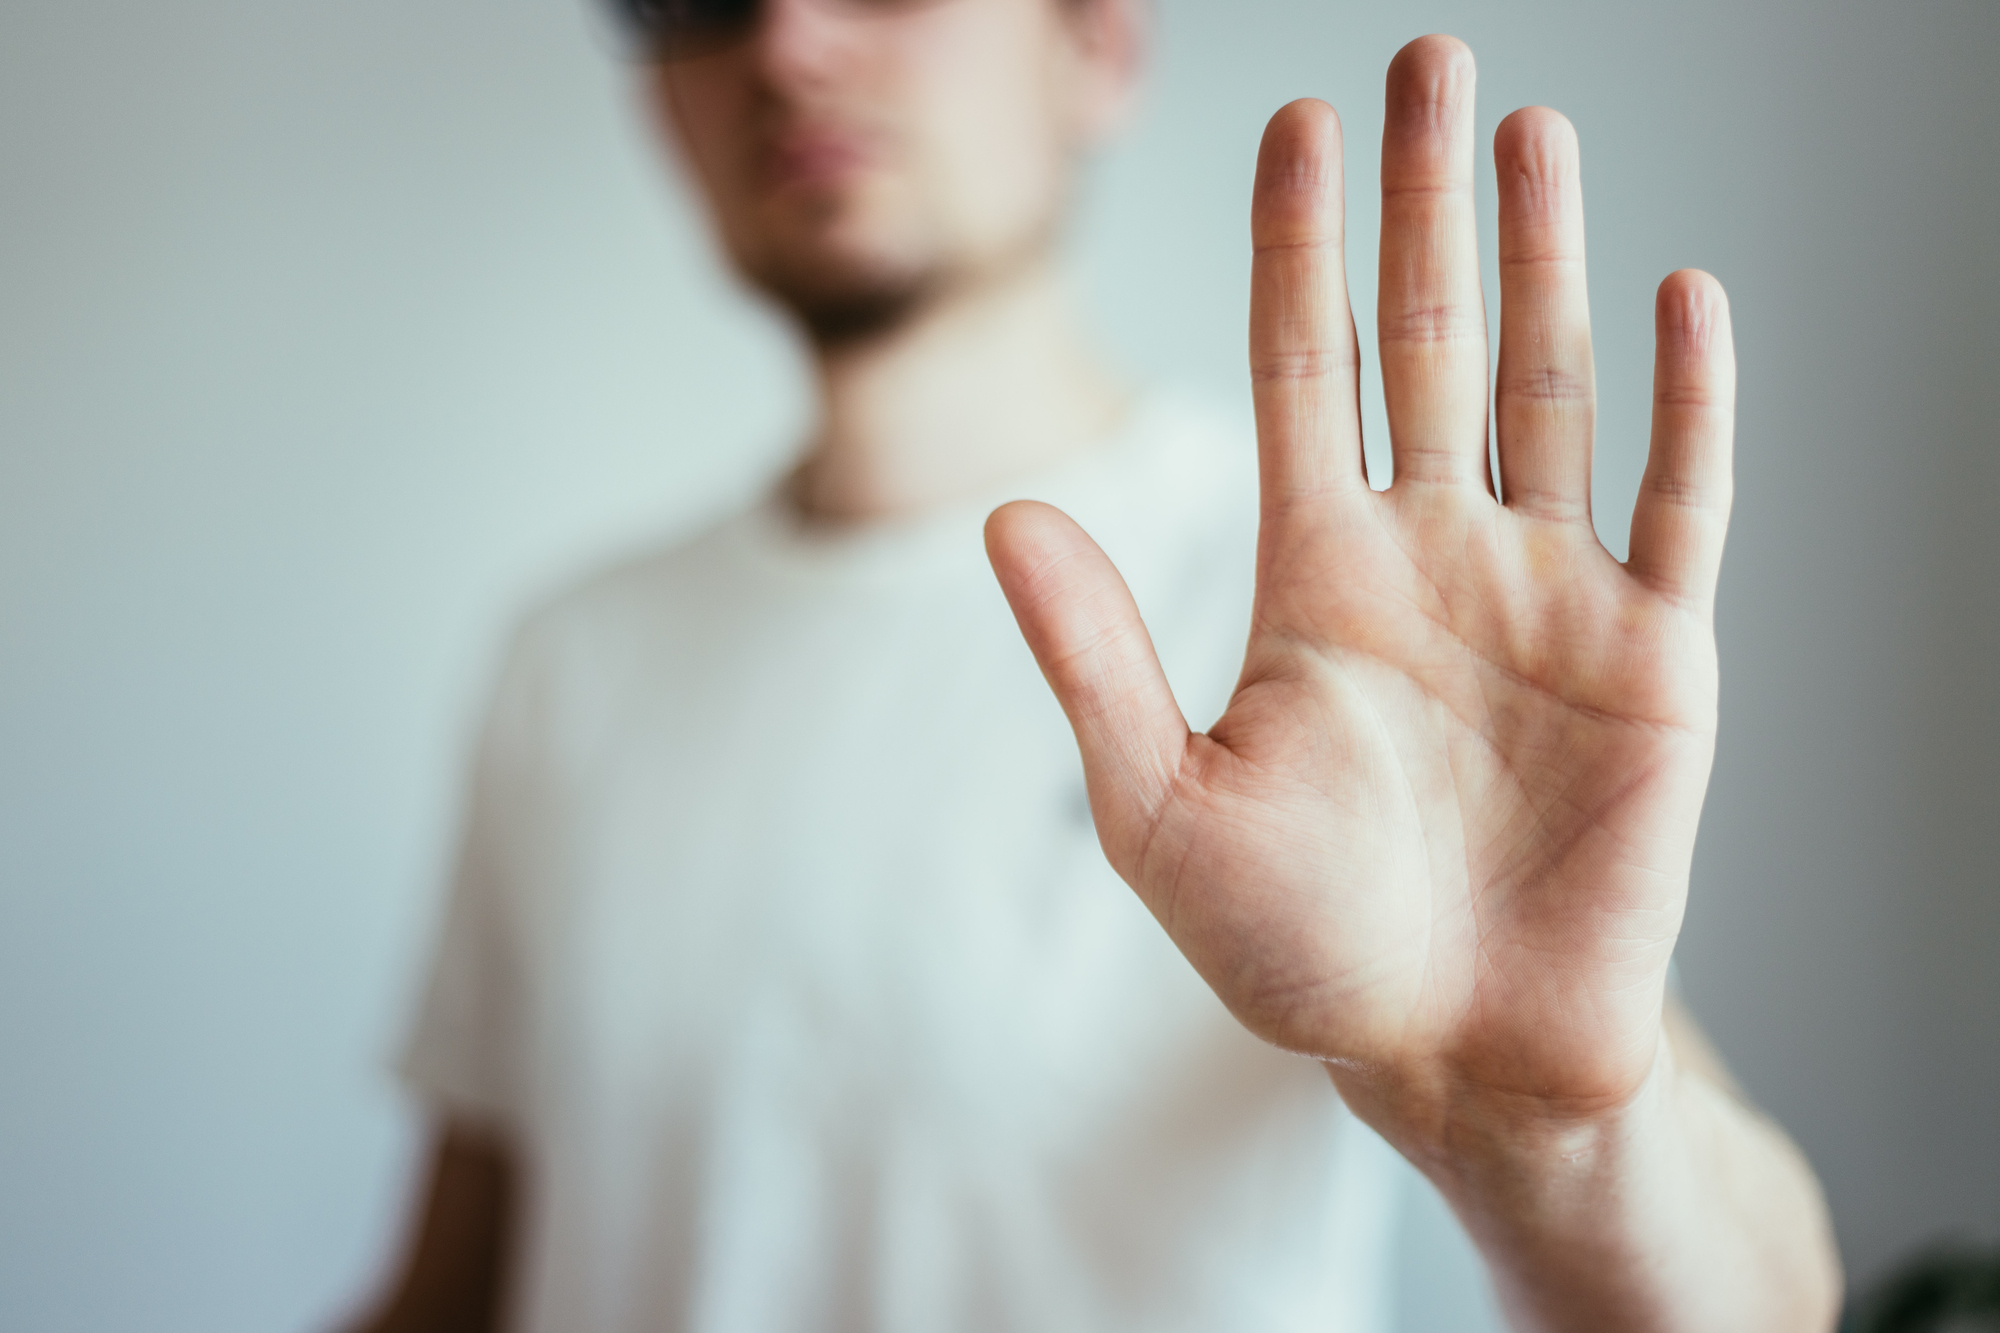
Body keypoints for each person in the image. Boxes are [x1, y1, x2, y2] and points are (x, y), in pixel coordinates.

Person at [347, 1, 1843, 1329]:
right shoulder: (575, 664)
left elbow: (1766, 1306)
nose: (787, 39)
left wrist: (1544, 1133)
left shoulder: (1337, 630)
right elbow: (457, 1292)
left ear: (1098, 44)